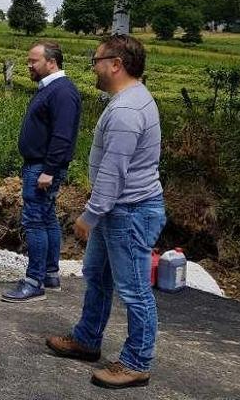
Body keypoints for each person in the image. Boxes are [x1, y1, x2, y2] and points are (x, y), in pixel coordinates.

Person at [45, 35, 165, 389]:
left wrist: (90, 215)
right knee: (96, 274)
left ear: (116, 64)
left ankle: (136, 362)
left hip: (127, 212)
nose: (93, 66)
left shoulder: (127, 110)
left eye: (96, 60)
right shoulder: (129, 100)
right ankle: (87, 338)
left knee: (134, 290)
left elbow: (115, 171)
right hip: (119, 210)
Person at [2, 41, 81, 303]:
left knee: (34, 221)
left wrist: (48, 170)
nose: (28, 65)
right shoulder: (51, 89)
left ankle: (34, 281)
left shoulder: (62, 91)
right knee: (47, 219)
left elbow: (63, 135)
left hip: (42, 168)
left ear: (51, 62)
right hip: (40, 165)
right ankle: (49, 274)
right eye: (28, 61)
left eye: (33, 61)